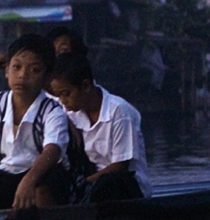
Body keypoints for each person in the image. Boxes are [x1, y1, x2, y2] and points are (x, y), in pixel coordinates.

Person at [0, 34, 72, 213]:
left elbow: (52, 151)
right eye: (16, 67)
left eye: (34, 70)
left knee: (40, 190)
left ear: (47, 77)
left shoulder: (53, 110)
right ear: (7, 71)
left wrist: (29, 181)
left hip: (43, 175)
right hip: (6, 175)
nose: (22, 76)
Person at [47, 52, 151, 202]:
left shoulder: (119, 111)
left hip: (126, 185)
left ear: (86, 86)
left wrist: (86, 183)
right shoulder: (70, 112)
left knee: (109, 183)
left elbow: (121, 165)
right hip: (90, 180)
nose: (63, 101)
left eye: (66, 94)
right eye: (59, 95)